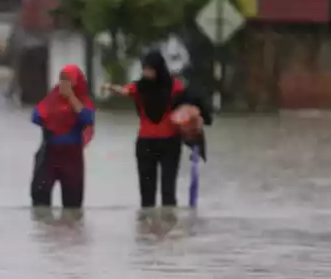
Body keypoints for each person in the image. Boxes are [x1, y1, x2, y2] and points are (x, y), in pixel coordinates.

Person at [105, 50, 209, 208]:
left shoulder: (174, 86)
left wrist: (196, 116)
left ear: (159, 69)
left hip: (170, 144)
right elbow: (125, 90)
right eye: (145, 69)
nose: (147, 73)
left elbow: (190, 104)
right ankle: (147, 230)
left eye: (150, 69)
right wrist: (110, 87)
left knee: (168, 193)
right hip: (145, 146)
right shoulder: (140, 87)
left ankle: (168, 226)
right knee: (147, 197)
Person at [30, 64, 95, 208]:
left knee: (72, 205)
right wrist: (55, 116)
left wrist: (71, 98)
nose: (64, 84)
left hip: (72, 158)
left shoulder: (83, 101)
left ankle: (71, 230)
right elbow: (35, 116)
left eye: (68, 80)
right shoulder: (52, 98)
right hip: (49, 154)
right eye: (62, 79)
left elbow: (87, 119)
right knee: (40, 202)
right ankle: (44, 230)